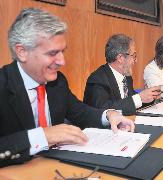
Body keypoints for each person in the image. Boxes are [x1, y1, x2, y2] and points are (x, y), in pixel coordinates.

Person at [0, 8, 134, 167]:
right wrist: (43, 136)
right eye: (52, 53)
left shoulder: (58, 82)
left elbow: (79, 111)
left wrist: (108, 115)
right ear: (22, 52)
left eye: (62, 52)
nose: (62, 61)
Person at [84, 34, 161, 115]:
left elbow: (129, 103)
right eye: (133, 56)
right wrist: (139, 98)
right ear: (120, 58)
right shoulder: (98, 79)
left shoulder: (127, 77)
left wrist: (151, 97)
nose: (136, 60)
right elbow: (103, 109)